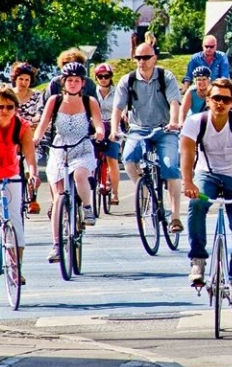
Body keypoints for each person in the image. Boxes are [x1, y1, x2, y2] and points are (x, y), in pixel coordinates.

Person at [180, 78, 232, 313]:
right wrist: (188, 182)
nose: (220, 103)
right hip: (208, 174)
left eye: (225, 99)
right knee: (196, 205)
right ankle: (198, 260)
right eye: (216, 98)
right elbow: (186, 151)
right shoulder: (196, 122)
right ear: (208, 100)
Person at [109, 43, 184, 233]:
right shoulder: (128, 80)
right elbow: (117, 108)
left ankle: (175, 217)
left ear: (154, 58)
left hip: (164, 128)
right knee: (128, 158)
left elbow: (174, 102)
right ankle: (144, 189)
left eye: (146, 57)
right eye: (138, 58)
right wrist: (114, 129)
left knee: (170, 165)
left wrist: (174, 122)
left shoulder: (165, 77)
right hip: (138, 129)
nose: (141, 62)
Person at [33, 62, 104, 262]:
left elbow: (98, 124)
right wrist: (36, 138)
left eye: (77, 81)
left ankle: (88, 209)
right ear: (64, 82)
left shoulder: (90, 101)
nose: (73, 84)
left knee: (81, 174)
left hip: (82, 147)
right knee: (58, 198)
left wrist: (99, 133)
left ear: (83, 83)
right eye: (69, 80)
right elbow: (43, 124)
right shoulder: (54, 101)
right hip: (59, 149)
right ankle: (56, 244)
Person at [0, 85, 40, 285]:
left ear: (16, 108)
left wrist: (33, 174)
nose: (5, 111)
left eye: (10, 107)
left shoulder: (22, 127)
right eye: (1, 107)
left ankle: (16, 268)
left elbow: (30, 157)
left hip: (11, 176)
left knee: (15, 220)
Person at [10, 62, 43, 214]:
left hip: (31, 136)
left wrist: (35, 119)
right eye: (21, 79)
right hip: (11, 137)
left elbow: (40, 112)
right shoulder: (8, 94)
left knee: (32, 163)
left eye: (27, 80)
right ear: (15, 79)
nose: (24, 83)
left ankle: (32, 197)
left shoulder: (37, 95)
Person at [93, 63, 122, 205]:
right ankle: (96, 183)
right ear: (96, 77)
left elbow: (123, 107)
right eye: (100, 76)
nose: (103, 79)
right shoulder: (92, 92)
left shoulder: (117, 92)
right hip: (96, 127)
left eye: (107, 76)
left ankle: (115, 193)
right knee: (92, 159)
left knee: (112, 160)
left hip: (113, 126)